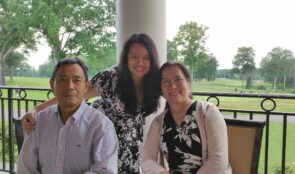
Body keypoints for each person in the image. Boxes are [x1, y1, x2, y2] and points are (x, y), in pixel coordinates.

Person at [21, 33, 161, 173]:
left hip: (130, 150)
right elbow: (72, 93)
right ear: (126, 58)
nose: (140, 63)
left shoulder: (153, 82)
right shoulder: (112, 77)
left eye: (146, 58)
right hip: (100, 145)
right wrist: (35, 110)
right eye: (134, 57)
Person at [17, 58, 118, 174]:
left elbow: (105, 171)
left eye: (77, 80)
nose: (70, 86)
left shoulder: (101, 125)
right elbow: (25, 167)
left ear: (86, 86)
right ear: (52, 84)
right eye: (63, 80)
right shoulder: (40, 121)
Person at [141, 62, 232, 174]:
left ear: (188, 82)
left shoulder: (207, 112)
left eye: (178, 79)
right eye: (166, 81)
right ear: (161, 89)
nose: (173, 86)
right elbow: (146, 158)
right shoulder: (159, 122)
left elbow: (218, 161)